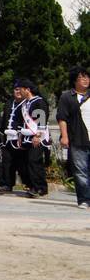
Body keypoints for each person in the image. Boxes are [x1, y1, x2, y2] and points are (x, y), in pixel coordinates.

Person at [0, 79, 48, 197]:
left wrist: (38, 136)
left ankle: (40, 187)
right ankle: (35, 187)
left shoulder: (38, 102)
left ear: (27, 89)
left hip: (38, 137)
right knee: (30, 162)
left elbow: (41, 120)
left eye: (21, 89)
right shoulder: (27, 103)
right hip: (27, 138)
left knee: (34, 161)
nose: (19, 92)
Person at [56, 66, 90, 208]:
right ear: (74, 80)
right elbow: (62, 118)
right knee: (81, 170)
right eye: (82, 77)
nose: (86, 80)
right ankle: (84, 199)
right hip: (78, 138)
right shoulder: (66, 97)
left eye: (87, 77)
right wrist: (64, 136)